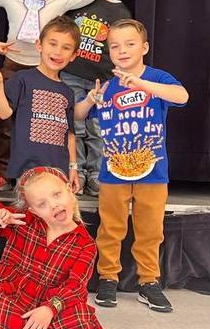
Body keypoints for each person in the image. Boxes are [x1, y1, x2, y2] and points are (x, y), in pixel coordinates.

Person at [74, 19, 188, 313]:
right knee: (111, 227)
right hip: (113, 171)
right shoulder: (107, 86)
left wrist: (141, 84)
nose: (122, 50)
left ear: (144, 47)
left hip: (153, 170)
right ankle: (108, 277)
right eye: (114, 46)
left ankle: (149, 281)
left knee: (150, 228)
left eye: (129, 44)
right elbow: (78, 115)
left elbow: (182, 96)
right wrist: (90, 100)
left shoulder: (157, 79)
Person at [0, 0, 99, 190]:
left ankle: (41, 168)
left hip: (43, 69)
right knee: (5, 124)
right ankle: (2, 170)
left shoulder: (57, 1)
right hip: (13, 65)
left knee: (37, 124)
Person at [0, 167, 108, 329]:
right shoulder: (24, 221)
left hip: (52, 301)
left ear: (69, 190)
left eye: (57, 194)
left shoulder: (85, 244)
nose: (53, 205)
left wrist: (50, 309)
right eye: (42, 204)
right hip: (15, 293)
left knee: (80, 318)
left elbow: (75, 287)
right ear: (33, 210)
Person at [61, 0, 137, 196]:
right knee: (75, 125)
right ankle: (77, 173)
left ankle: (96, 174)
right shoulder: (81, 0)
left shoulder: (122, 12)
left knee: (97, 128)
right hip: (72, 73)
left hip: (101, 81)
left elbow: (122, 47)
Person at [0, 16, 82, 191]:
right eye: (52, 44)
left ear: (73, 56)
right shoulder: (23, 79)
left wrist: (73, 168)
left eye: (66, 48)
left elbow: (70, 134)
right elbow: (4, 113)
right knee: (31, 215)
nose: (58, 52)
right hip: (28, 170)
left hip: (59, 171)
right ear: (39, 45)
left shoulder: (68, 92)